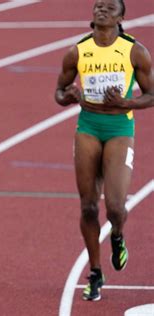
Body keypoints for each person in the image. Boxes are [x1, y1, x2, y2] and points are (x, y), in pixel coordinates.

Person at [55, 0, 153, 302]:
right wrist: (68, 96)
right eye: (98, 5)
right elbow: (59, 91)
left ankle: (118, 235)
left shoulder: (134, 50)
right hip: (88, 127)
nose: (101, 9)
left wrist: (126, 103)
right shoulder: (78, 50)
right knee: (87, 206)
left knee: (114, 206)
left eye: (110, 7)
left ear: (121, 17)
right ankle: (96, 272)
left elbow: (151, 94)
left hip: (119, 129)